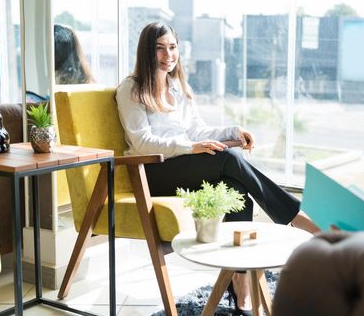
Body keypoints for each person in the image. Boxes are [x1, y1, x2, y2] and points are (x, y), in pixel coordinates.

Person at [115, 22, 319, 315]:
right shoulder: (131, 88)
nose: (167, 54)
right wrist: (190, 148)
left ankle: (239, 280)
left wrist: (233, 132)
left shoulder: (178, 88)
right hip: (151, 172)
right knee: (231, 160)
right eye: (159, 48)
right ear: (147, 51)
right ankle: (296, 218)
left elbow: (198, 130)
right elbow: (142, 141)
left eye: (172, 47)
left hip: (183, 166)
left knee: (235, 187)